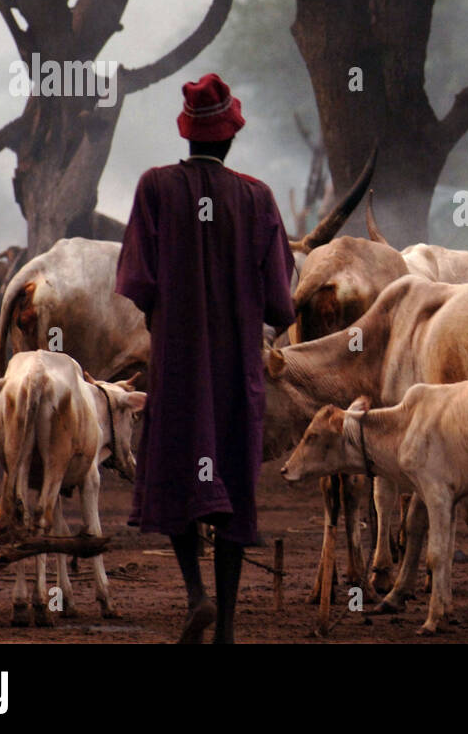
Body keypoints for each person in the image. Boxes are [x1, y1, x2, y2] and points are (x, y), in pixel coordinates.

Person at [115, 73, 297, 643]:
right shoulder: (258, 197)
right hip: (236, 375)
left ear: (187, 133)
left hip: (177, 368)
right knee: (233, 492)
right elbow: (278, 301)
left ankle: (195, 595)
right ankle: (228, 627)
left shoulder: (154, 187)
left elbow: (138, 281)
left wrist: (169, 315)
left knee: (177, 476)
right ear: (230, 136)